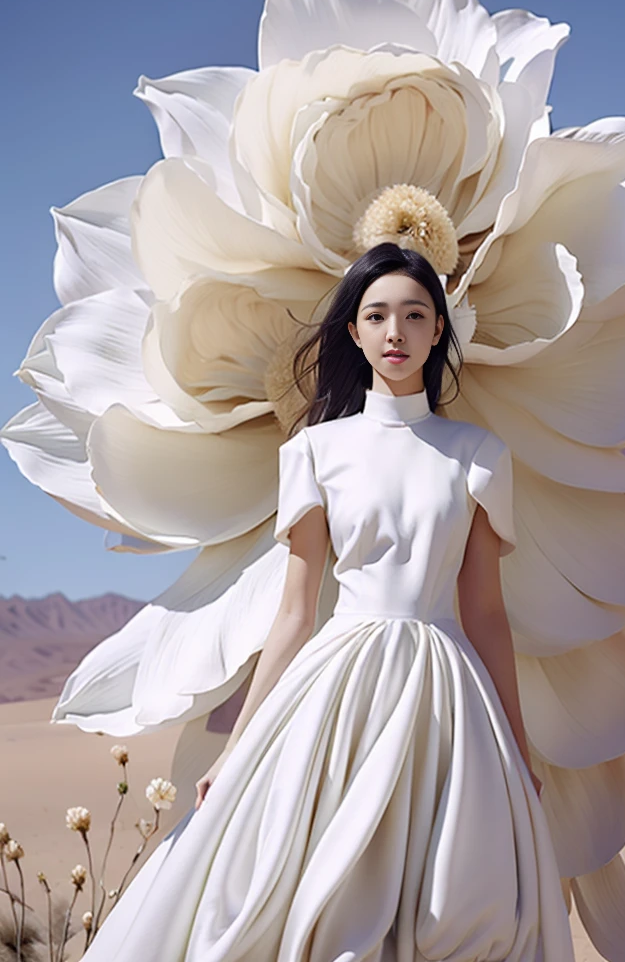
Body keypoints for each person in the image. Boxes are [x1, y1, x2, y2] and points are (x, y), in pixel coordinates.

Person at [79, 241, 576, 961]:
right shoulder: (314, 452)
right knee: (291, 881)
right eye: (377, 316)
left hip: (446, 697)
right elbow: (294, 613)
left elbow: (487, 616)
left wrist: (517, 748)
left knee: (458, 896)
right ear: (355, 332)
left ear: (439, 328)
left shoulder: (479, 455)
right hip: (337, 687)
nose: (395, 333)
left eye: (414, 315)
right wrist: (238, 741)